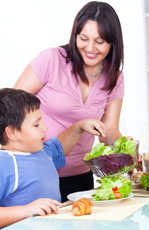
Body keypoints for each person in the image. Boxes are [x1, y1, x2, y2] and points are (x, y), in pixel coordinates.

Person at [14, 1, 125, 202]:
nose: (90, 48)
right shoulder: (52, 59)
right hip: (38, 173)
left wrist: (126, 151)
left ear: (112, 42)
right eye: (83, 38)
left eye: (99, 42)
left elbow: (109, 130)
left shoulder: (114, 77)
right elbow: (11, 108)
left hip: (80, 176)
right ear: (75, 36)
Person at [0, 88, 105, 228]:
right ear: (12, 133)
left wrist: (80, 126)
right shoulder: (5, 164)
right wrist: (25, 210)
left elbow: (59, 146)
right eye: (36, 125)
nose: (44, 127)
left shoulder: (41, 152)